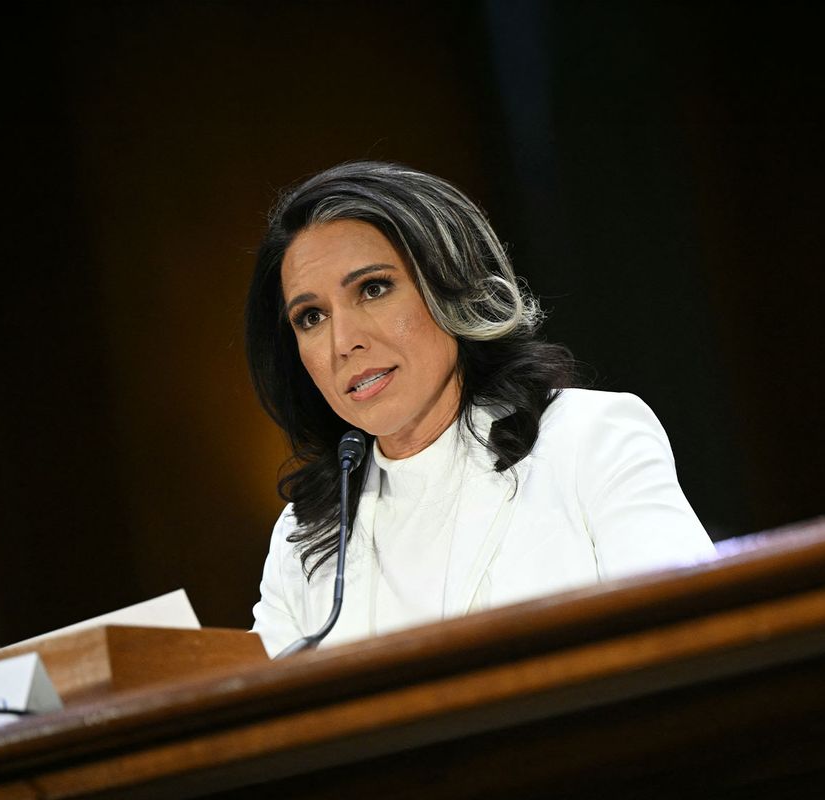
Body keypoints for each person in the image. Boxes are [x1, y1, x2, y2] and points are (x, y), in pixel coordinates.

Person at [247, 161, 716, 655]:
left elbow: (695, 639)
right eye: (311, 317)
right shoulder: (308, 531)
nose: (343, 341)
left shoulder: (588, 439)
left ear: (452, 283)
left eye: (373, 288)